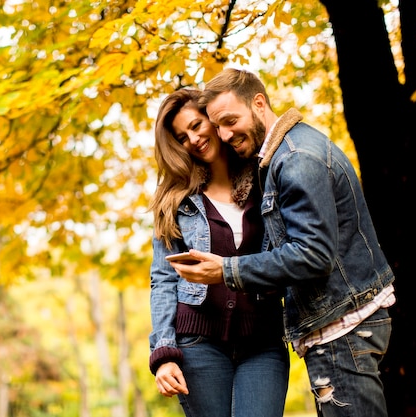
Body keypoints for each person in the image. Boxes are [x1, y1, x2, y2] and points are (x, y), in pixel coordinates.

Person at [169, 68, 396, 417]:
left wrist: (226, 270)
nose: (226, 135)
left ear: (259, 103)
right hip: (338, 323)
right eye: (219, 127)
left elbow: (313, 254)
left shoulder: (295, 158)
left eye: (231, 120)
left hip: (343, 324)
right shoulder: (283, 156)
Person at [148, 88, 289, 417]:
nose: (193, 139)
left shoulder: (265, 178)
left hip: (262, 341)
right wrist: (164, 352)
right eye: (182, 137)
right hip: (197, 344)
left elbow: (291, 254)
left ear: (213, 121)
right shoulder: (176, 201)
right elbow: (163, 280)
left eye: (196, 126)